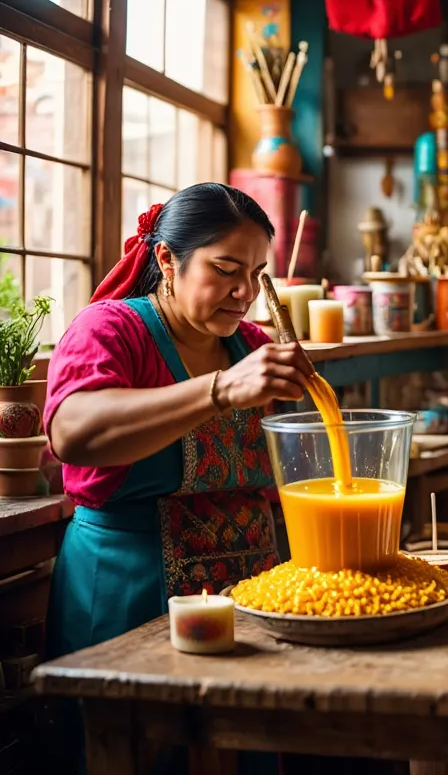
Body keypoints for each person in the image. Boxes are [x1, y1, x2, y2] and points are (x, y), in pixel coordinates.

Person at [45, 183, 315, 664]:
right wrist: (221, 390)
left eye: (256, 274)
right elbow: (72, 434)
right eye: (226, 270)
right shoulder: (110, 330)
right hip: (130, 597)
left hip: (249, 603)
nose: (246, 293)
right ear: (168, 260)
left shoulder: (251, 345)